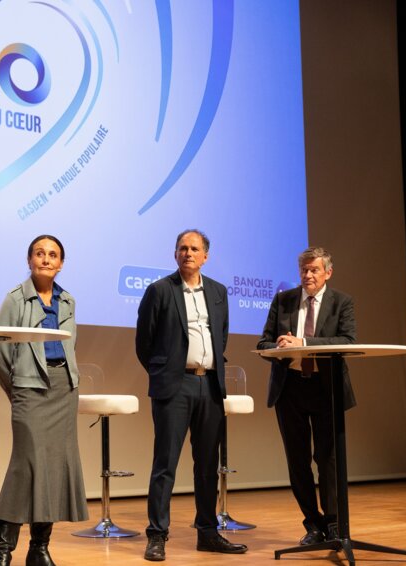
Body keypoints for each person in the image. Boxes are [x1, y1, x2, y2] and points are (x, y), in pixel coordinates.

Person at [135, 229, 247, 561]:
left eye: (194, 249)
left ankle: (208, 533)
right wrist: (164, 374)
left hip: (210, 386)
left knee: (208, 465)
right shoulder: (159, 290)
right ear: (175, 254)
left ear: (205, 256)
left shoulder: (218, 291)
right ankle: (157, 535)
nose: (188, 253)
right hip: (175, 386)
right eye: (182, 248)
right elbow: (144, 342)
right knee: (165, 464)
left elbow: (221, 335)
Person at [0, 235, 89, 566]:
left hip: (63, 390)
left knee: (54, 470)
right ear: (29, 260)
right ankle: (3, 551)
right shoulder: (15, 298)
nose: (46, 259)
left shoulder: (68, 300)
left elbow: (70, 346)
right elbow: (0, 352)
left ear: (61, 263)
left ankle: (39, 549)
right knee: (25, 467)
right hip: (29, 389)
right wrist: (19, 389)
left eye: (53, 255)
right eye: (39, 253)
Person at [256, 246, 356, 546]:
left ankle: (334, 523)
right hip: (290, 388)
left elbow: (347, 340)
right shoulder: (283, 300)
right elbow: (263, 343)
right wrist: (279, 346)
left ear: (328, 272)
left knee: (327, 459)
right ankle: (313, 524)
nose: (308, 275)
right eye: (304, 270)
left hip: (326, 389)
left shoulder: (342, 302)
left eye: (314, 270)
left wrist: (304, 343)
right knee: (297, 461)